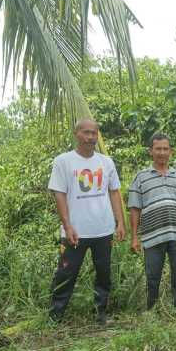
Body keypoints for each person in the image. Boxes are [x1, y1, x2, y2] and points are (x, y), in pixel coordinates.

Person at [48, 118, 126, 325]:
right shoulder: (63, 161)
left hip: (103, 229)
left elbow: (114, 192)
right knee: (66, 273)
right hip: (75, 232)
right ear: (77, 134)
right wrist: (67, 225)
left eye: (94, 133)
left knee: (104, 274)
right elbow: (59, 194)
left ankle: (100, 313)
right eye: (86, 133)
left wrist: (120, 222)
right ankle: (56, 315)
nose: (90, 137)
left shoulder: (106, 162)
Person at [128, 133, 176, 311]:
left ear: (171, 152)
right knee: (152, 275)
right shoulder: (141, 177)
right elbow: (135, 208)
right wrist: (134, 237)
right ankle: (152, 308)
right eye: (158, 149)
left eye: (165, 149)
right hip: (152, 235)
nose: (162, 152)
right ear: (151, 151)